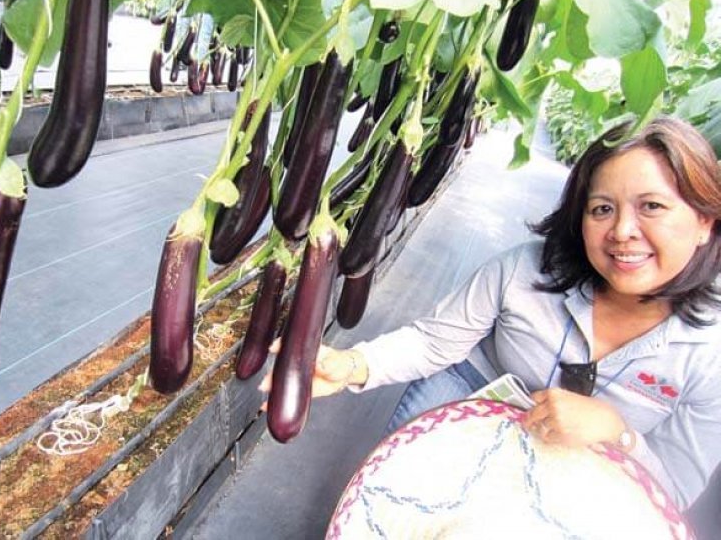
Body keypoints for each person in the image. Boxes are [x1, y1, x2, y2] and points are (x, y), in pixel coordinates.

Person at [261, 115, 721, 511]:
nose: (622, 231)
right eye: (602, 208)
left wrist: (617, 434)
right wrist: (351, 365)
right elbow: (433, 341)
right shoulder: (524, 270)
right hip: (472, 388)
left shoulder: (711, 354)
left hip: (593, 462)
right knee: (395, 502)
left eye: (652, 207)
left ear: (705, 221)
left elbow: (673, 490)